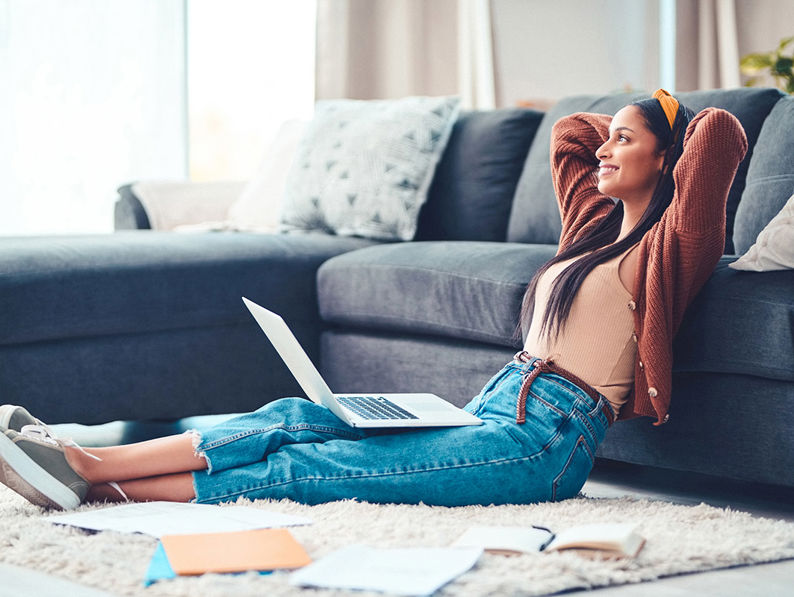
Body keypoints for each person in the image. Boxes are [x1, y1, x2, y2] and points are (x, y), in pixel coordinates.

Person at [0, 90, 748, 511]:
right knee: (301, 415)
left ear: (668, 158)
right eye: (611, 138)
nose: (605, 149)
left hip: (543, 447)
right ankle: (87, 461)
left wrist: (671, 119)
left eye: (625, 140)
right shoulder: (589, 230)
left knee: (313, 468)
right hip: (494, 406)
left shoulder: (668, 250)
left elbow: (720, 135)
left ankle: (89, 475)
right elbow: (567, 137)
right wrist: (630, 126)